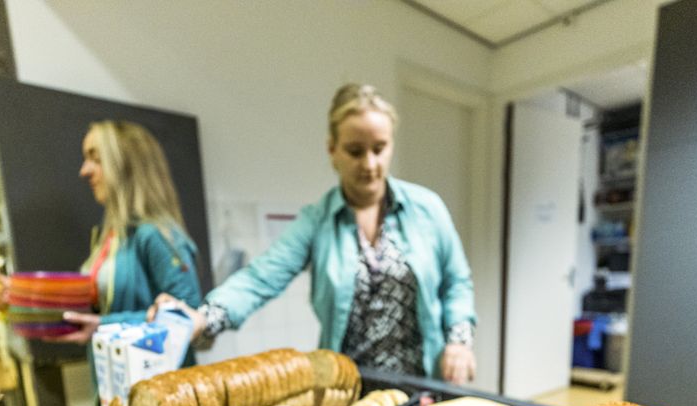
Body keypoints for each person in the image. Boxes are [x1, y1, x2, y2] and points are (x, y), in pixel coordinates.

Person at [152, 84, 476, 383]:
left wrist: (459, 342)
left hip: (423, 384)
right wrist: (204, 318)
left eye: (380, 148)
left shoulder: (427, 209)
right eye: (355, 150)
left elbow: (456, 281)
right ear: (332, 149)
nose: (370, 163)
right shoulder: (316, 221)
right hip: (348, 388)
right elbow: (261, 277)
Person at [52, 120, 202, 353]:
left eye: (96, 159)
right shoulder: (111, 237)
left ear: (126, 165)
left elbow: (188, 317)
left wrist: (104, 324)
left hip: (156, 381)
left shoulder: (155, 235)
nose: (84, 171)